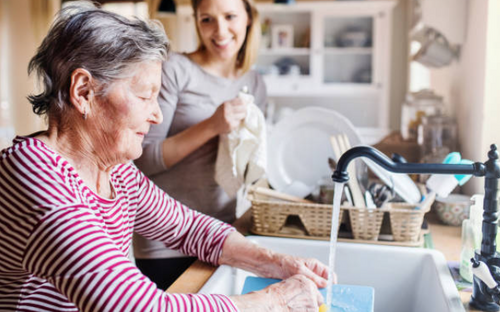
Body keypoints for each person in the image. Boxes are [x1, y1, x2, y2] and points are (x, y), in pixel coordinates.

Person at [0, 2, 332, 311]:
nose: (157, 116)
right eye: (145, 96)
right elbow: (139, 307)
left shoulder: (115, 170)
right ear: (84, 92)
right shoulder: (35, 175)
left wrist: (280, 262)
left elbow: (189, 229)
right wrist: (273, 300)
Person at [133, 0, 268, 289]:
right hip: (165, 241)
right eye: (207, 19)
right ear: (196, 22)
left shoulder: (255, 82)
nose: (219, 31)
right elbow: (142, 160)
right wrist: (211, 126)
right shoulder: (175, 69)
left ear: (248, 17)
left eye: (230, 16)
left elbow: (250, 156)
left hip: (223, 234)